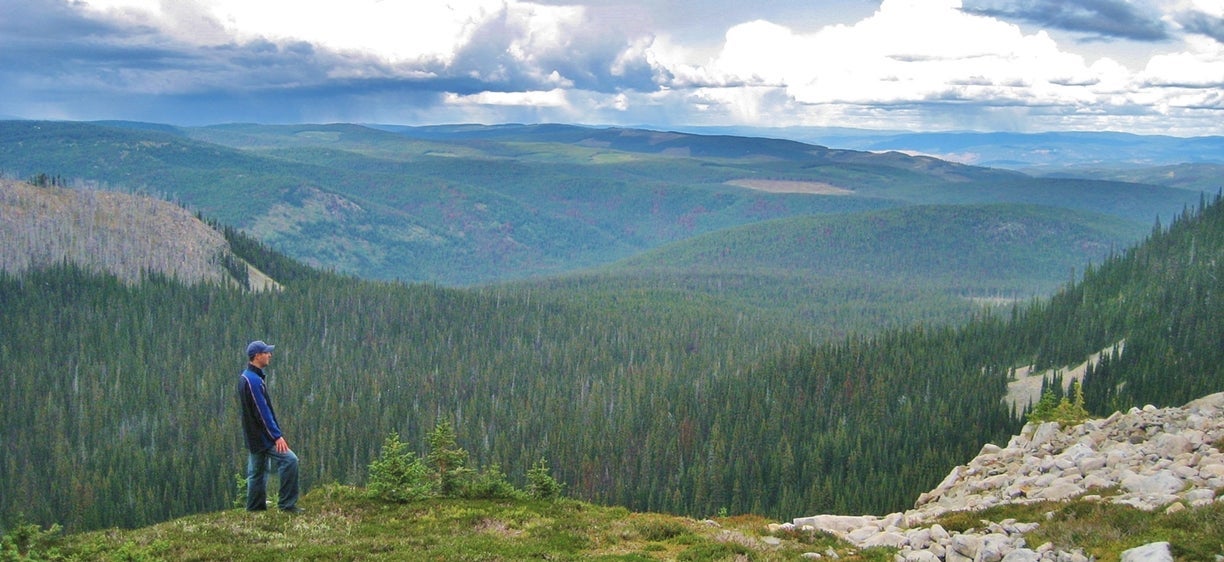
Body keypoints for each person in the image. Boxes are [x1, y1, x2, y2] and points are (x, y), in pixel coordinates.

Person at [237, 340, 303, 513]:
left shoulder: (247, 377)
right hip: (264, 437)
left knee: (256, 473)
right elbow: (262, 412)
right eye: (266, 352)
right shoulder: (253, 381)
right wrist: (276, 436)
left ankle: (255, 510)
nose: (269, 355)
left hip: (254, 438)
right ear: (257, 356)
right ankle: (287, 505)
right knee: (290, 461)